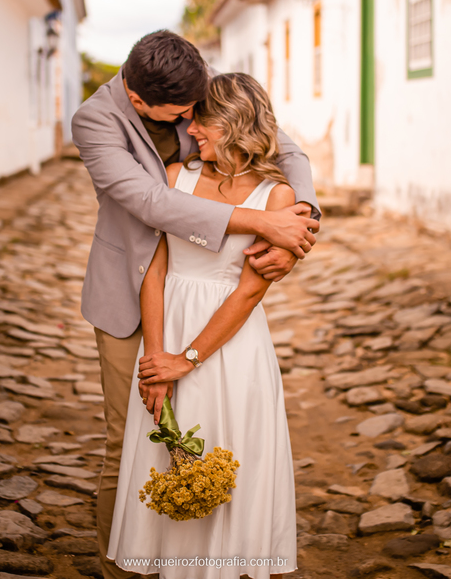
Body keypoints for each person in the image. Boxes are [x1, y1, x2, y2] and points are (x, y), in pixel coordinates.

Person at [71, 31, 319, 579]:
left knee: (225, 431)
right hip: (127, 288)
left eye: (198, 111)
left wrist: (299, 224)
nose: (191, 122)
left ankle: (217, 556)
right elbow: (151, 202)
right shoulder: (95, 121)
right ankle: (124, 568)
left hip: (212, 292)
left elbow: (283, 147)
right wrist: (264, 223)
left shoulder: (193, 89)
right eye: (182, 114)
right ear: (139, 100)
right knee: (129, 439)